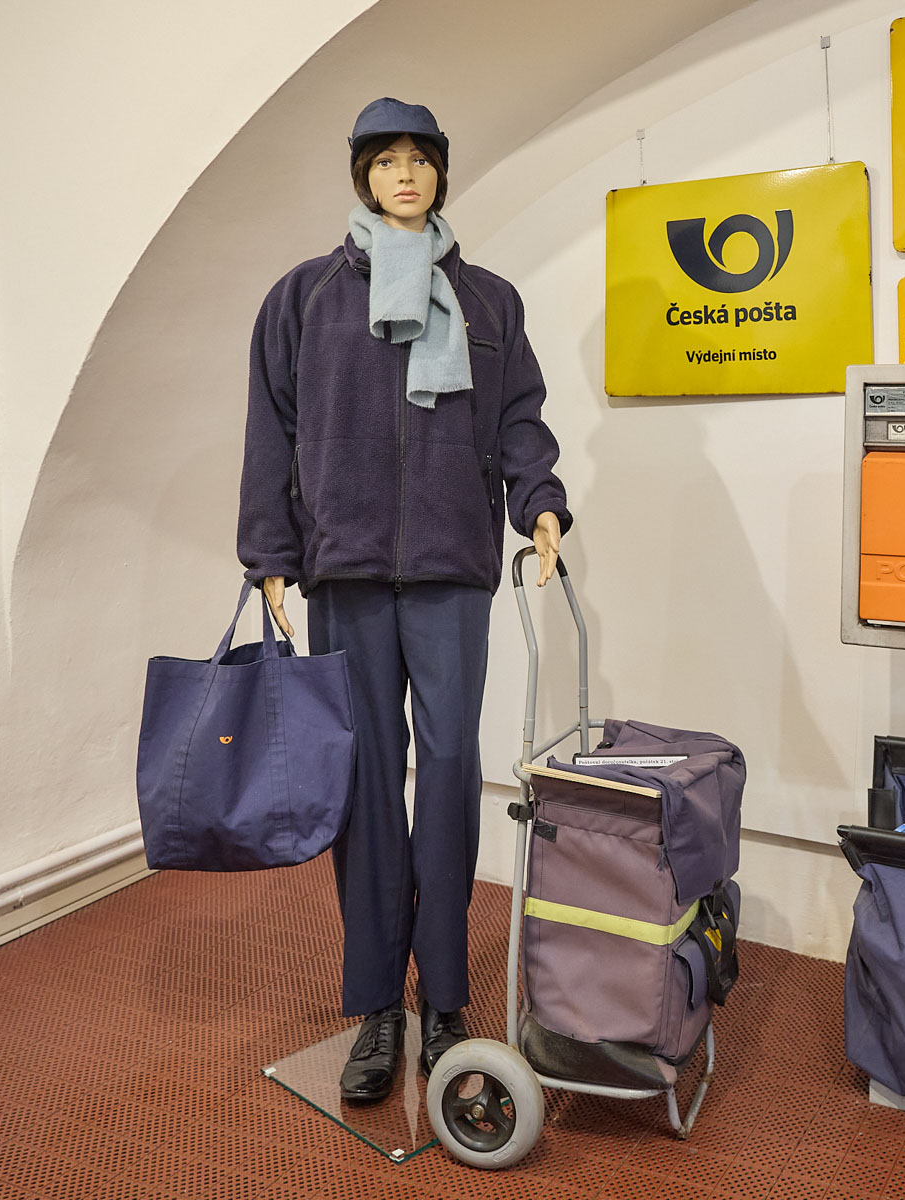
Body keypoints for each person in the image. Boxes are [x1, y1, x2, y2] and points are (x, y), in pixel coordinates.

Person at [238, 97, 573, 1101]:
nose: (404, 175)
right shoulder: (302, 298)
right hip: (342, 571)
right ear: (363, 177)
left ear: (439, 173)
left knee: (454, 770)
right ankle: (380, 1004)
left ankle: (448, 998)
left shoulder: (489, 301)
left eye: (419, 159)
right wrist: (270, 554)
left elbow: (520, 420)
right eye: (385, 161)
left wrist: (540, 504)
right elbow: (270, 430)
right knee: (368, 783)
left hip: (449, 568)